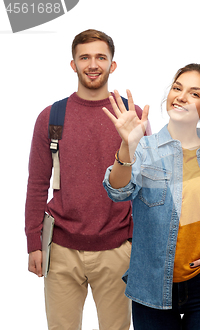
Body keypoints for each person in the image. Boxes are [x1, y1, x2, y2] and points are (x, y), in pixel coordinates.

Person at [102, 63, 200, 330]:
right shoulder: (143, 149)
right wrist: (127, 145)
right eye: (177, 88)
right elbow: (117, 192)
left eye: (194, 93)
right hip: (152, 284)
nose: (181, 96)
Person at [25, 29, 149, 330]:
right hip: (62, 248)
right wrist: (33, 243)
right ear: (73, 64)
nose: (93, 65)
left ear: (112, 65)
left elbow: (146, 185)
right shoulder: (52, 117)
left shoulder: (131, 115)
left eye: (100, 57)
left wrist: (143, 248)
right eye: (85, 57)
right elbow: (37, 183)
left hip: (118, 247)